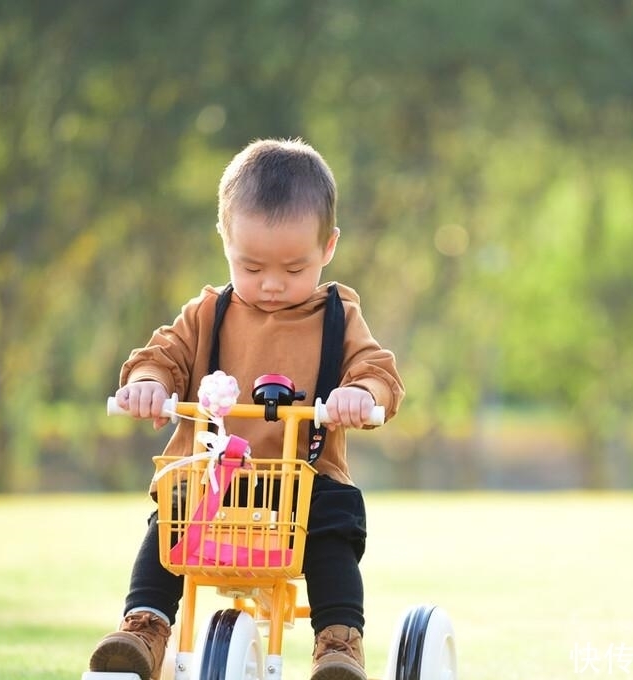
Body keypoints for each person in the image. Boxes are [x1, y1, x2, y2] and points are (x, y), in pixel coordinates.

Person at [88, 138, 404, 680]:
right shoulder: (208, 312)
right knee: (171, 509)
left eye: (294, 267)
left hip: (303, 480)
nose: (273, 284)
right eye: (251, 266)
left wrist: (362, 394)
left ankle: (337, 642)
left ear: (328, 247)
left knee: (336, 520)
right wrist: (145, 382)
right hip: (212, 475)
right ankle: (144, 628)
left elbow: (377, 370)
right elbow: (161, 355)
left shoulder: (338, 317)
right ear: (225, 241)